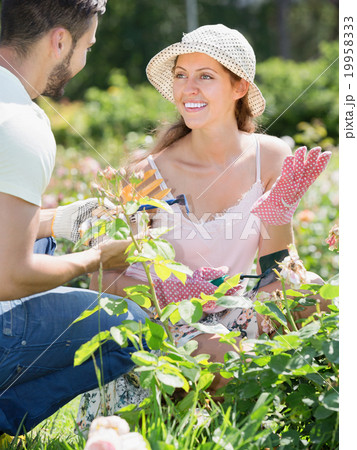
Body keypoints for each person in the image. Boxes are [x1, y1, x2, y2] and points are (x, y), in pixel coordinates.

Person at [76, 24, 331, 429]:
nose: (188, 89)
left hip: (240, 311)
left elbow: (281, 267)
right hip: (161, 323)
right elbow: (104, 276)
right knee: (212, 347)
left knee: (319, 296)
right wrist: (171, 291)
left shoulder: (270, 156)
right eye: (181, 75)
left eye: (205, 77)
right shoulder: (148, 174)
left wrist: (278, 219)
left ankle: (297, 412)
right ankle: (217, 413)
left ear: (239, 88)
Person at [0, 0, 149, 437]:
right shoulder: (21, 124)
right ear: (60, 40)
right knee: (130, 326)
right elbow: (9, 276)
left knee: (42, 242)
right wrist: (98, 257)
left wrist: (54, 221)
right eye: (88, 46)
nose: (84, 60)